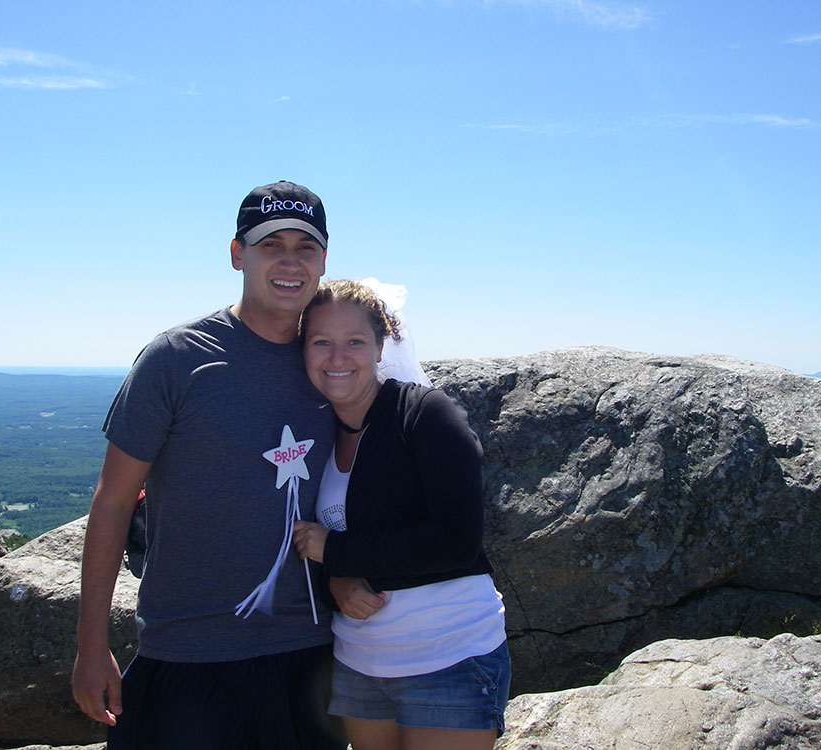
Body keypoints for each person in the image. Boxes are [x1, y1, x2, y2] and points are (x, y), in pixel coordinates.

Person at [72, 180, 347, 749]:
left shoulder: (334, 364)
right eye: (271, 245)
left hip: (308, 659)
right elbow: (114, 501)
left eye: (306, 246)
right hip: (186, 655)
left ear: (324, 259)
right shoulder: (177, 360)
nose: (290, 262)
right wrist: (91, 647)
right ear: (237, 254)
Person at [293, 280, 510, 750]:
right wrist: (336, 581)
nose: (337, 357)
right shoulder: (317, 432)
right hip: (360, 666)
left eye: (354, 342)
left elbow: (457, 541)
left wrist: (338, 554)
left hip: (449, 656)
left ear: (379, 346)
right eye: (321, 342)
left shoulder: (426, 415)